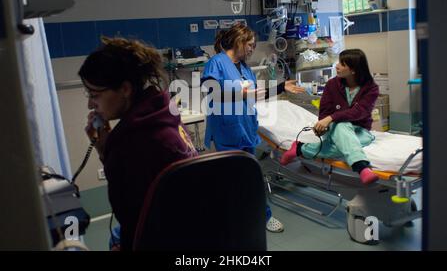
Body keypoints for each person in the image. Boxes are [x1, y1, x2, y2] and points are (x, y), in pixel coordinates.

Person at [79, 37, 197, 250]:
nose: (90, 103)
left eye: (95, 94)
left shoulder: (133, 142)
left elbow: (129, 216)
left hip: (167, 238)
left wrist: (106, 150)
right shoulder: (162, 115)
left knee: (115, 239)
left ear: (125, 89)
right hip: (192, 228)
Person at [201, 23, 305, 233]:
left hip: (245, 129)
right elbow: (211, 92)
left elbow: (254, 94)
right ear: (238, 41)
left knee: (248, 177)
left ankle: (255, 217)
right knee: (237, 180)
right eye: (249, 44)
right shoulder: (217, 63)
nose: (251, 49)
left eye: (253, 45)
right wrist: (240, 94)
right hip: (227, 131)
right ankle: (243, 218)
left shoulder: (245, 68)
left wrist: (281, 87)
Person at [280, 49, 380, 185]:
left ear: (354, 70)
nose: (337, 66)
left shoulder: (370, 88)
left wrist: (331, 118)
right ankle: (362, 167)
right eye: (339, 62)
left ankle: (300, 148)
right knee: (341, 126)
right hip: (334, 129)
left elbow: (359, 112)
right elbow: (324, 112)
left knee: (344, 143)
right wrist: (326, 122)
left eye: (342, 64)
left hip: (360, 130)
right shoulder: (333, 85)